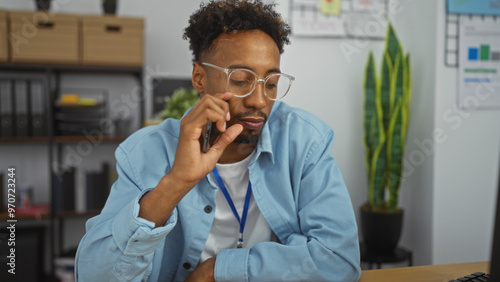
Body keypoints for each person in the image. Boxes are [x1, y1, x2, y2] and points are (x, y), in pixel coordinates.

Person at [75, 1, 361, 281]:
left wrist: (217, 270)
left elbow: (339, 261)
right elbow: (94, 276)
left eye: (271, 84)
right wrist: (176, 183)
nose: (259, 100)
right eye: (240, 80)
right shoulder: (144, 152)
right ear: (199, 78)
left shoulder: (304, 141)